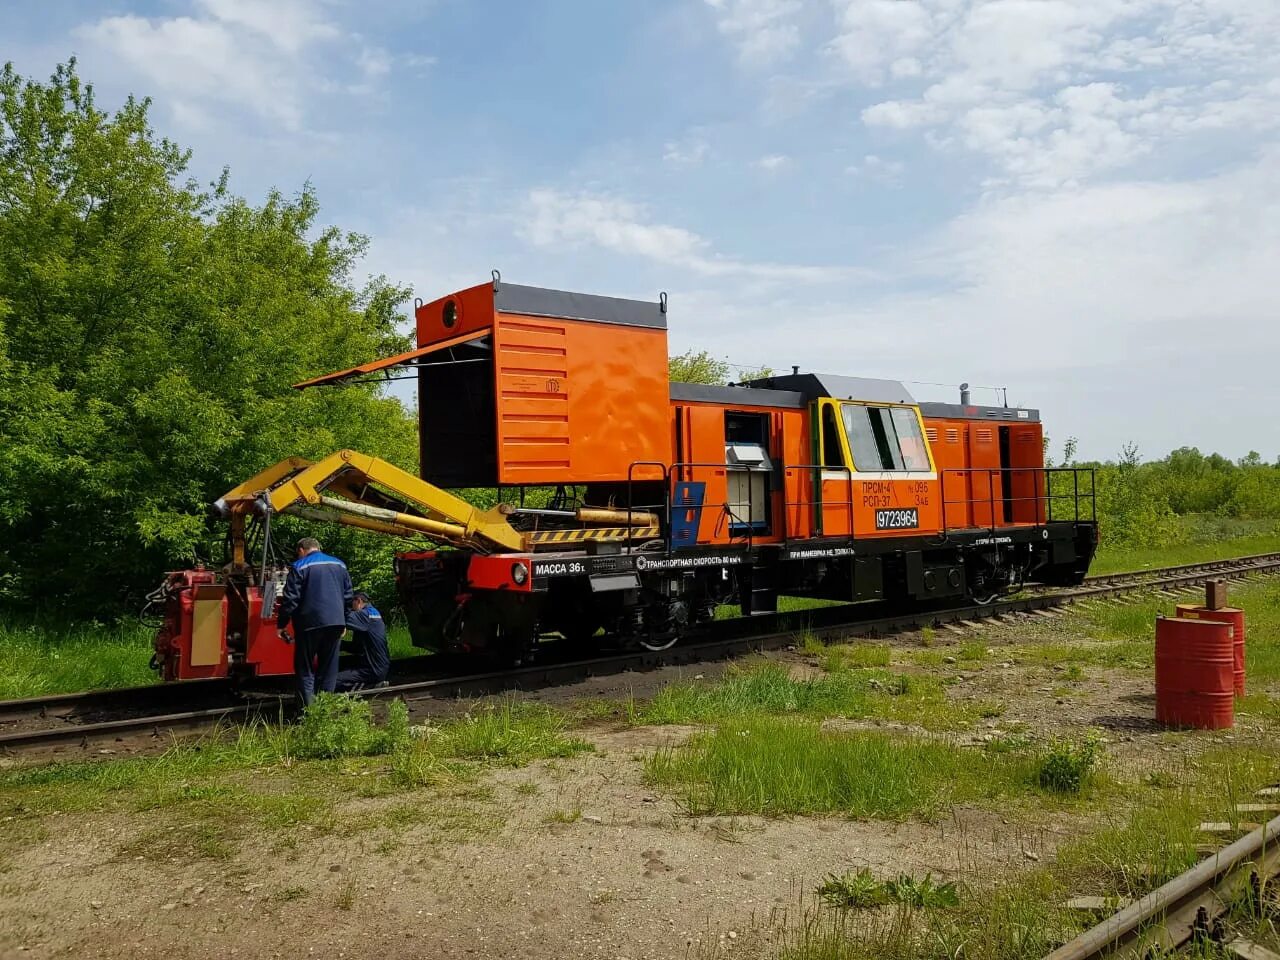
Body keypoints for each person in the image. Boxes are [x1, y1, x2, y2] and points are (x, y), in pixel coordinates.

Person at [276, 537, 353, 707]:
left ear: (301, 550)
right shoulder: (340, 565)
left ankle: (309, 713)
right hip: (335, 623)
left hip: (308, 625)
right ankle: (324, 712)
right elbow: (348, 597)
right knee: (329, 669)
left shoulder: (299, 566)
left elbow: (291, 600)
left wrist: (281, 624)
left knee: (305, 669)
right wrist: (344, 622)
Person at [336, 592, 391, 692]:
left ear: (359, 601)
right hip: (376, 665)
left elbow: (342, 618)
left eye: (352, 605)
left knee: (334, 681)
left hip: (372, 669)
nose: (351, 609)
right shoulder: (372, 613)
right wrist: (339, 644)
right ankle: (372, 683)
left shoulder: (365, 615)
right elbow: (357, 648)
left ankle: (369, 687)